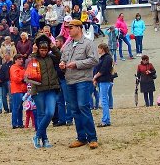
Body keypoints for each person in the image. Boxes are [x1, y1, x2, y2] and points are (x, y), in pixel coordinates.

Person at [59, 19, 99, 149]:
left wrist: (77, 64)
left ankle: (92, 137)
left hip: (83, 80)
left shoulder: (88, 43)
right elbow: (63, 59)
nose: (68, 30)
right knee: (75, 109)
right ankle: (81, 137)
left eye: (71, 27)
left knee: (83, 106)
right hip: (70, 80)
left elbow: (94, 60)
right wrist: (62, 65)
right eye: (68, 28)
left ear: (79, 28)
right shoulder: (68, 45)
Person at [30, 34, 61, 148]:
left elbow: (60, 56)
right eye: (42, 50)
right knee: (41, 114)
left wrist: (53, 47)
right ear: (38, 48)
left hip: (51, 88)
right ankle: (45, 139)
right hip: (38, 89)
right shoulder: (34, 57)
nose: (43, 52)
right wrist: (34, 52)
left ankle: (37, 136)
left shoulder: (51, 57)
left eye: (45, 50)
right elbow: (29, 64)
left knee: (50, 113)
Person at [93, 43, 113, 127]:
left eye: (99, 48)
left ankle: (105, 120)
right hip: (102, 80)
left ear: (102, 49)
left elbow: (103, 70)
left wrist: (95, 77)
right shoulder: (103, 58)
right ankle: (106, 119)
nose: (98, 50)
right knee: (104, 100)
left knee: (104, 100)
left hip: (105, 80)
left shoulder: (107, 58)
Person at [10, 54, 27, 129]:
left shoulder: (21, 68)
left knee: (20, 107)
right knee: (16, 107)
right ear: (15, 60)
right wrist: (22, 79)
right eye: (19, 59)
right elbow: (15, 78)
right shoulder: (14, 68)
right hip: (16, 90)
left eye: (22, 59)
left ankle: (20, 123)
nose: (21, 60)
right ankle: (14, 123)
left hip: (22, 89)